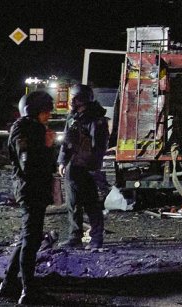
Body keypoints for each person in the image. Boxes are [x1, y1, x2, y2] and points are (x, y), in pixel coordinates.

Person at [0, 91, 57, 305]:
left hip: (35, 189)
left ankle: (8, 283)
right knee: (31, 241)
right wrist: (47, 147)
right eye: (45, 112)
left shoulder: (35, 128)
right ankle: (28, 290)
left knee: (27, 237)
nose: (48, 115)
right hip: (30, 190)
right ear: (34, 111)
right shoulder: (24, 129)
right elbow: (28, 163)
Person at [57, 84, 109, 250]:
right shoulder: (73, 118)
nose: (72, 101)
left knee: (91, 203)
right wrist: (62, 161)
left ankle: (96, 238)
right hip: (73, 167)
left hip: (87, 167)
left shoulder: (96, 120)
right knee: (73, 203)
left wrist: (92, 166)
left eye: (76, 98)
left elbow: (98, 147)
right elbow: (67, 141)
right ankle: (75, 236)